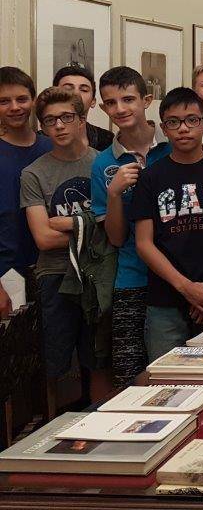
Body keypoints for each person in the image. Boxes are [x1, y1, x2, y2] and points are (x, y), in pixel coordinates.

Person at [130, 87, 203, 360]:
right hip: (166, 300)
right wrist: (187, 289)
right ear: (164, 128)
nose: (183, 128)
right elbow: (143, 243)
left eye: (192, 120)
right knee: (165, 380)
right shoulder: (151, 178)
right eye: (174, 122)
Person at [20, 87, 110, 401]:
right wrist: (90, 226)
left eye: (66, 117)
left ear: (82, 119)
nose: (58, 126)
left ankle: (100, 425)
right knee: (57, 361)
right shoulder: (34, 174)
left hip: (97, 276)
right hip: (55, 276)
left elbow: (114, 230)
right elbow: (44, 238)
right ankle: (54, 427)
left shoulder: (102, 164)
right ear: (42, 127)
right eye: (49, 121)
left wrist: (67, 223)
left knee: (98, 357)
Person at [91, 66, 172, 387]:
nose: (120, 109)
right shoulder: (103, 163)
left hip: (179, 272)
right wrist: (113, 194)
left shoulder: (175, 145)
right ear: (102, 108)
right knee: (129, 372)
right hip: (132, 277)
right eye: (111, 103)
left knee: (176, 369)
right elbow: (114, 236)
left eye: (128, 99)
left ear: (147, 100)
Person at [0, 67, 52, 316]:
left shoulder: (52, 147)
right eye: (4, 101)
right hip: (7, 272)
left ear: (33, 100)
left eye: (21, 99)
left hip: (52, 268)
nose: (14, 107)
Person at [53, 65, 114, 150]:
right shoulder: (41, 141)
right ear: (54, 97)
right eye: (68, 89)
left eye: (84, 90)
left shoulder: (107, 139)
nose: (76, 94)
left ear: (93, 101)